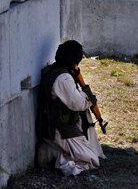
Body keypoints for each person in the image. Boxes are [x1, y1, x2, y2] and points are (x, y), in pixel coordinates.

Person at [36, 40, 105, 176]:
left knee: (92, 149)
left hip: (60, 125)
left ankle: (53, 151)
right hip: (59, 129)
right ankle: (53, 156)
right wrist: (88, 97)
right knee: (91, 160)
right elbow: (78, 103)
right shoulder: (63, 78)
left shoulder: (56, 71)